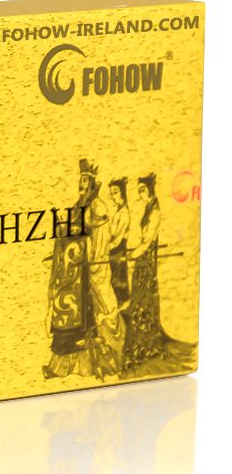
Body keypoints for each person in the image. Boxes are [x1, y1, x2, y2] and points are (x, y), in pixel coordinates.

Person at [43, 159, 125, 380]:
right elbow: (72, 229)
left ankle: (104, 362)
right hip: (75, 273)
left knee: (96, 315)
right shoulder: (78, 205)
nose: (81, 184)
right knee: (68, 319)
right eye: (80, 180)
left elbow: (99, 241)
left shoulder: (98, 207)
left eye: (85, 180)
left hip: (90, 270)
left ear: (92, 183)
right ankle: (64, 366)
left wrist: (90, 258)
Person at [121, 173, 196, 374]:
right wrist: (135, 253)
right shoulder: (148, 208)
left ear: (151, 190)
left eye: (143, 190)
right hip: (142, 261)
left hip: (146, 262)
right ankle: (140, 346)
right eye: (139, 190)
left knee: (144, 302)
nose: (140, 194)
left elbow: (148, 242)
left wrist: (133, 254)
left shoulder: (154, 212)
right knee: (138, 301)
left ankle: (147, 348)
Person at [107, 178, 130, 307]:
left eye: (115, 192)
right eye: (111, 193)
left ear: (122, 192)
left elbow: (118, 239)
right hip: (113, 250)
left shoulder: (124, 213)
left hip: (118, 251)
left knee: (119, 282)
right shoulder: (118, 211)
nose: (113, 196)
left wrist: (105, 249)